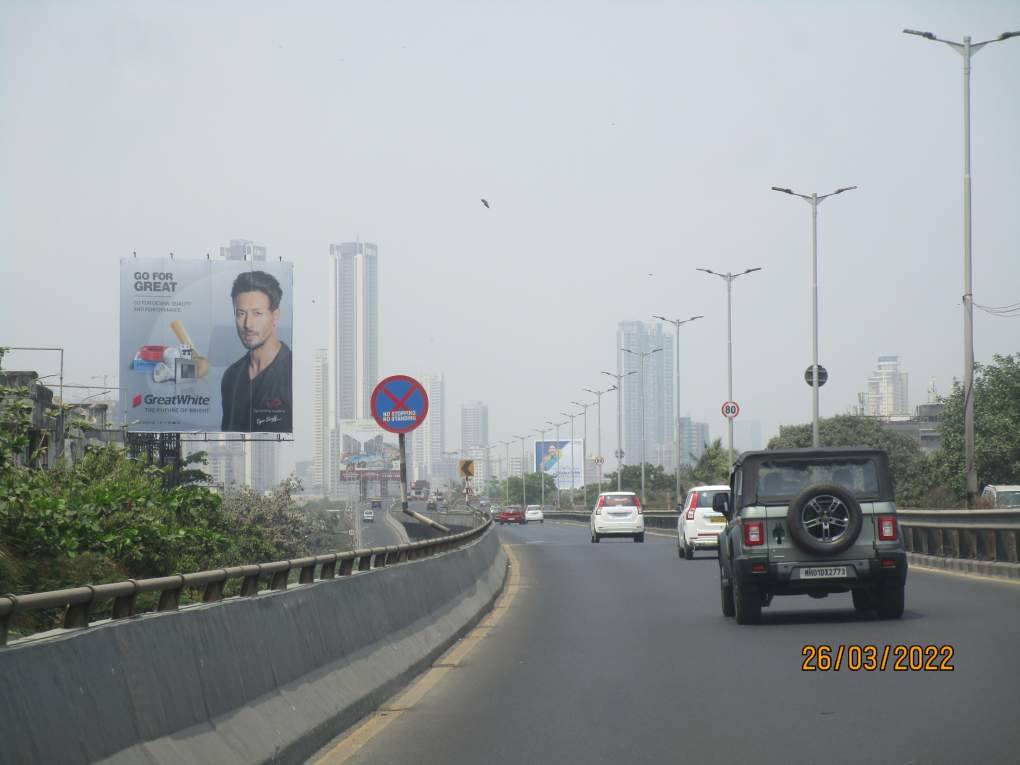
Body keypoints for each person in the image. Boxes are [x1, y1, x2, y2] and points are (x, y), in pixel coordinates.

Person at [221, 270, 292, 432]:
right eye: (241, 314)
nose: (248, 324)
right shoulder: (231, 375)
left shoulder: (293, 372)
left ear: (275, 316)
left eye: (257, 314)